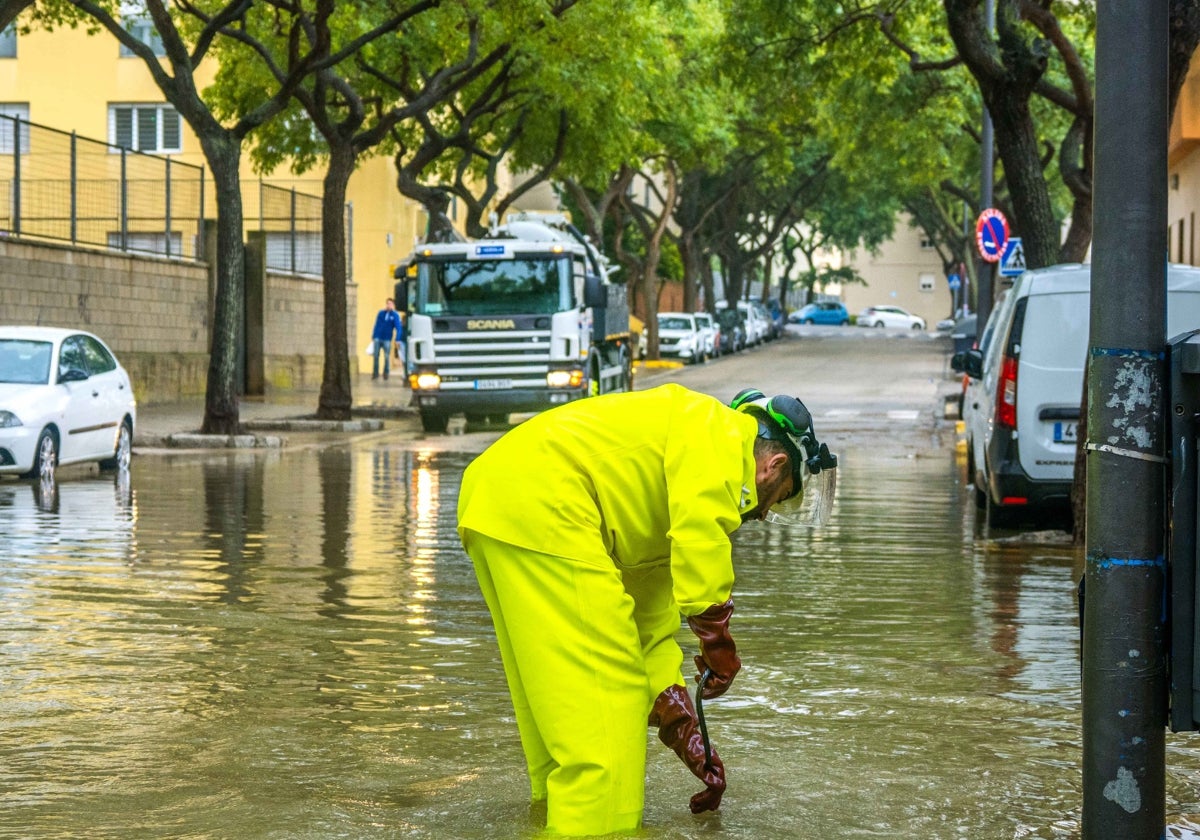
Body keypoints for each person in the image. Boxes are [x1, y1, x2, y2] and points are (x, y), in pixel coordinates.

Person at [456, 383, 837, 835]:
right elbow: (703, 538)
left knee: (565, 715)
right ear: (773, 466)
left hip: (501, 500)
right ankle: (601, 828)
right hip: (549, 503)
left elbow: (647, 629)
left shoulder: (664, 486)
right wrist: (717, 635)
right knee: (606, 713)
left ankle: (553, 819)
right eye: (777, 498)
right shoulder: (717, 434)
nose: (762, 514)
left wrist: (686, 732)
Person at [371, 298, 402, 380]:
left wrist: (397, 338)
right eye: (388, 303)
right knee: (376, 356)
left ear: (393, 305)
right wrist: (374, 335)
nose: (389, 305)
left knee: (386, 356)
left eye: (390, 304)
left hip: (387, 338)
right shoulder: (381, 313)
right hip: (378, 337)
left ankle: (386, 373)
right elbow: (376, 324)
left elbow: (398, 327)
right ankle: (375, 373)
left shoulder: (395, 315)